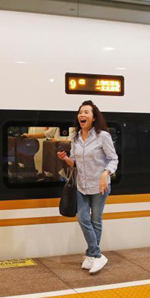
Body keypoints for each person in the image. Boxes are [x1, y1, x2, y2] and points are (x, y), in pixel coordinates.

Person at [57, 100, 118, 274]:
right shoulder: (75, 137)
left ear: (93, 117)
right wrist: (65, 158)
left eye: (86, 112)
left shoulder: (102, 136)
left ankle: (92, 256)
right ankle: (96, 255)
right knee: (83, 218)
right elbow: (74, 162)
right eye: (80, 112)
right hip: (82, 185)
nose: (82, 115)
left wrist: (106, 174)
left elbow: (114, 159)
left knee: (96, 220)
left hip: (100, 186)